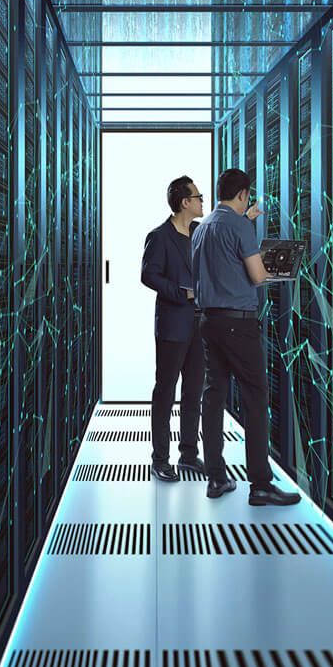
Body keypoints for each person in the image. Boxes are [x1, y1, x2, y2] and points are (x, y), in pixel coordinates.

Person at [191, 168, 301, 506]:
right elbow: (255, 276)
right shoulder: (239, 226)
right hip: (239, 324)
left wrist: (246, 221)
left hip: (208, 322)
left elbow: (219, 262)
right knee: (255, 398)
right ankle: (260, 485)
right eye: (248, 198)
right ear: (243, 195)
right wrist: (278, 269)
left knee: (213, 397)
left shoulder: (202, 228)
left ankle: (216, 478)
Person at [140, 175, 208, 481]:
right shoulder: (159, 236)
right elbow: (148, 275)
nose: (201, 201)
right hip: (173, 325)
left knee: (194, 392)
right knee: (165, 392)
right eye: (197, 197)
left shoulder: (199, 232)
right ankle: (160, 459)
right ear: (185, 202)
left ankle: (189, 456)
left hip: (200, 325)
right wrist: (182, 293)